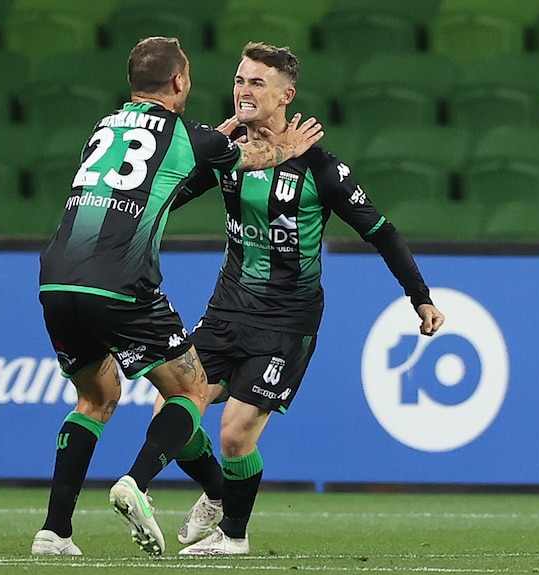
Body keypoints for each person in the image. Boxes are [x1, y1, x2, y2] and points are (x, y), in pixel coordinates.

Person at [30, 36, 324, 558]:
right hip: (119, 280)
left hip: (56, 276)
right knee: (190, 390)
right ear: (180, 82)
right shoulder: (186, 135)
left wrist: (217, 142)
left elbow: (157, 180)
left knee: (95, 398)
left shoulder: (104, 127)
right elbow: (257, 155)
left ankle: (55, 533)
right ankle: (136, 484)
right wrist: (287, 149)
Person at [158, 41, 446, 555]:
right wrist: (206, 152)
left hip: (287, 322)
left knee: (233, 434)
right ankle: (217, 493)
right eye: (239, 80)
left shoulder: (321, 168)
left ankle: (234, 537)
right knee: (169, 411)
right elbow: (168, 197)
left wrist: (419, 297)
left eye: (256, 83)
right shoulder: (226, 155)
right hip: (226, 310)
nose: (243, 91)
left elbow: (381, 231)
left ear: (286, 95)